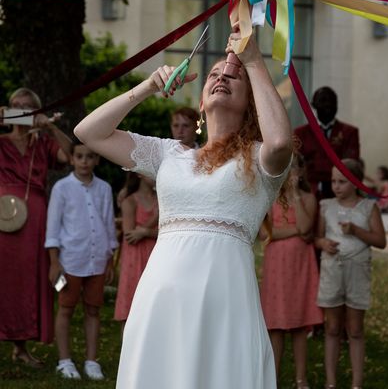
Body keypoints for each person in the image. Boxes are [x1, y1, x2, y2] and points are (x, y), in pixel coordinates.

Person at [74, 30, 292, 389]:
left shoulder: (260, 158)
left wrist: (253, 60)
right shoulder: (168, 154)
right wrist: (146, 87)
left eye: (233, 76)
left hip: (225, 300)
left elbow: (281, 141)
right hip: (162, 299)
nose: (222, 76)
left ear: (251, 102)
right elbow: (89, 133)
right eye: (215, 75)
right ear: (201, 103)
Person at [0, 87, 72, 367]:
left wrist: (49, 129)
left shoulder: (43, 144)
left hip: (36, 218)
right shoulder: (2, 141)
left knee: (27, 280)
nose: (22, 109)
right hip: (3, 213)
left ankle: (21, 347)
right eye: (16, 105)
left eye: (28, 106)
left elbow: (71, 155)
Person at [45, 140, 117, 380]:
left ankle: (91, 361)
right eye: (79, 156)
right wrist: (54, 262)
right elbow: (53, 228)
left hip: (97, 259)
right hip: (70, 260)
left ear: (96, 160)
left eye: (89, 157)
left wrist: (109, 261)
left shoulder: (104, 188)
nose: (84, 161)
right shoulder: (62, 188)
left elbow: (108, 224)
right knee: (65, 308)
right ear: (72, 159)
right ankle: (64, 361)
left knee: (93, 310)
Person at [315, 158, 386, 389]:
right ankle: (331, 381)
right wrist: (323, 243)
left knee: (355, 330)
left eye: (342, 182)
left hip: (357, 271)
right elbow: (316, 238)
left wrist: (356, 230)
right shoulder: (326, 206)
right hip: (332, 270)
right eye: (333, 181)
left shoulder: (368, 207)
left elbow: (380, 240)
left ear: (355, 182)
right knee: (332, 328)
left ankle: (357, 383)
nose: (336, 186)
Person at [259, 153, 323, 389]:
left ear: (301, 172)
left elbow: (307, 227)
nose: (291, 173)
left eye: (295, 168)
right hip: (276, 268)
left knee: (299, 324)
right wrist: (295, 231)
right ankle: (273, 379)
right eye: (287, 168)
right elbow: (265, 235)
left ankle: (300, 378)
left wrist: (295, 195)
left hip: (300, 268)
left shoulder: (307, 198)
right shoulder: (269, 198)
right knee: (276, 326)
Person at [294, 87, 359, 199]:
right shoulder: (301, 133)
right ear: (314, 105)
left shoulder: (349, 132)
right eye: (323, 100)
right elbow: (296, 164)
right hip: (308, 191)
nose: (328, 104)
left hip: (340, 191)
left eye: (332, 101)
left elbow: (351, 164)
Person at [114, 172, 158, 329]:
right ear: (139, 173)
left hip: (155, 256)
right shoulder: (130, 200)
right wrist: (153, 222)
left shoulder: (161, 200)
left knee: (153, 305)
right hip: (134, 258)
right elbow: (130, 235)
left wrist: (145, 232)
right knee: (130, 304)